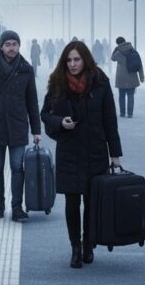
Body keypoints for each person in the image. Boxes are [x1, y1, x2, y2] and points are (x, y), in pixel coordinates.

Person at [40, 41, 122, 268]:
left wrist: (115, 153)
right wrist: (60, 122)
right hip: (69, 151)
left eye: (77, 59)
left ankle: (89, 244)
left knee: (92, 201)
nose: (73, 64)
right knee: (72, 201)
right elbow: (45, 114)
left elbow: (110, 120)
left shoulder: (100, 82)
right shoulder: (57, 83)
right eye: (69, 60)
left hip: (95, 149)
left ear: (85, 59)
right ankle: (75, 247)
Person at [0, 30, 42, 222]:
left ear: (19, 46)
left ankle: (16, 207)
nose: (11, 48)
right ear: (1, 46)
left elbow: (32, 101)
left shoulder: (26, 69)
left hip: (18, 125)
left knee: (17, 167)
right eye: (8, 44)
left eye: (14, 44)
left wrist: (36, 130)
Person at [111, 36, 145, 118]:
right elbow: (139, 65)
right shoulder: (133, 50)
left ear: (118, 43)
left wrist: (115, 49)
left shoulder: (118, 52)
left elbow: (112, 58)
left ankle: (122, 113)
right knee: (131, 95)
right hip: (132, 76)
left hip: (121, 77)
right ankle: (130, 113)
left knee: (121, 96)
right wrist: (141, 77)